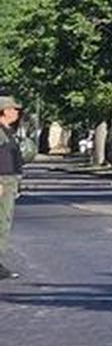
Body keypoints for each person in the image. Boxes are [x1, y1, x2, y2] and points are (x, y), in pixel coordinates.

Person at [0, 94, 36, 280]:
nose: (16, 112)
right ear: (4, 111)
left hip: (10, 180)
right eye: (14, 109)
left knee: (4, 222)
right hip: (2, 181)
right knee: (1, 222)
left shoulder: (8, 131)